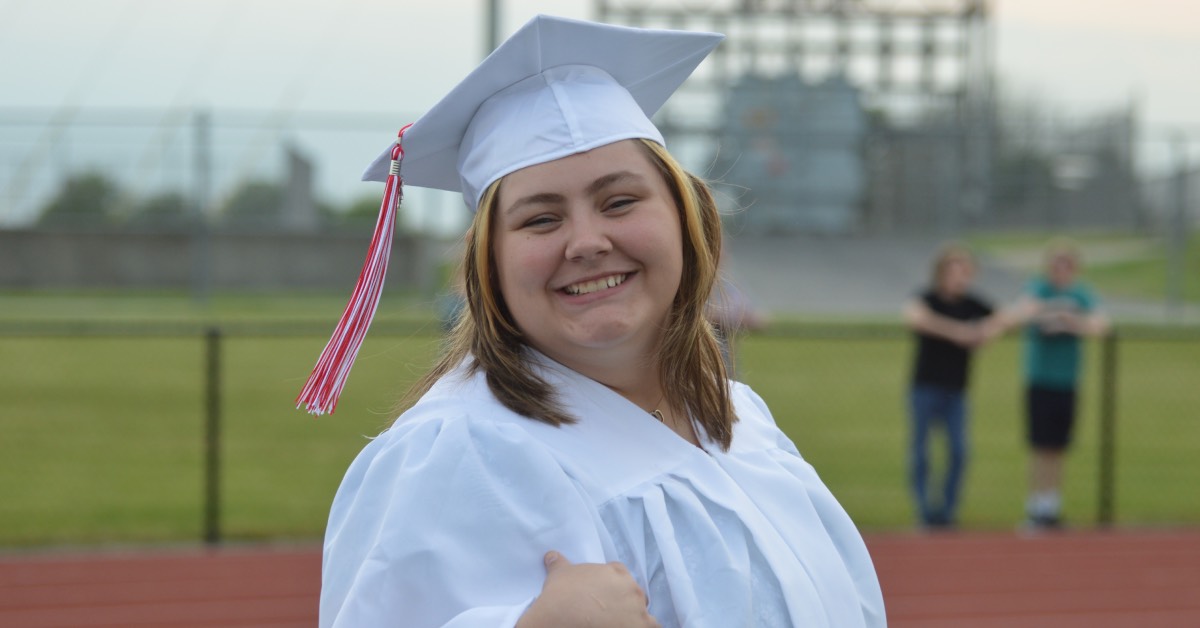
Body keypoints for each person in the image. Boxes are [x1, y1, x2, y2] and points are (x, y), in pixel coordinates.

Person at [301, 15, 884, 628]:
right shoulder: (464, 457)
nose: (587, 241)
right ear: (490, 262)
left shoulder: (737, 420)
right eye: (541, 220)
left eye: (620, 202)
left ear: (687, 219)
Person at [1006, 239, 1109, 530]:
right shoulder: (1038, 289)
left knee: (1059, 446)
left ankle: (1052, 505)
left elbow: (1101, 325)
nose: (1061, 271)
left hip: (1067, 380)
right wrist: (1050, 312)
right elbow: (1019, 314)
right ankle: (1035, 506)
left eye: (1067, 266)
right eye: (1056, 265)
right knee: (1040, 445)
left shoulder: (1081, 294)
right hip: (1040, 379)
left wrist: (1071, 320)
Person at [902, 243, 1002, 529]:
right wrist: (958, 332)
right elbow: (914, 317)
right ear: (941, 272)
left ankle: (947, 512)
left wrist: (984, 333)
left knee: (958, 450)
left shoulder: (972, 303)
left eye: (965, 271)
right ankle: (924, 511)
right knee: (921, 451)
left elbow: (1002, 318)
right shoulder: (928, 298)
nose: (960, 277)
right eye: (954, 270)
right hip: (925, 386)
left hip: (957, 390)